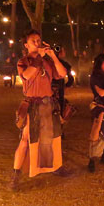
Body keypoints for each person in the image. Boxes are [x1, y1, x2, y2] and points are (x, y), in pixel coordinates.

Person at [9, 29, 68, 190]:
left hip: (48, 104)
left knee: (53, 137)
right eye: (33, 40)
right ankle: (16, 174)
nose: (37, 42)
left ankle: (56, 167)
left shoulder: (48, 61)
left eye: (39, 40)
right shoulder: (23, 61)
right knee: (25, 140)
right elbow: (27, 75)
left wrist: (53, 56)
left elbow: (62, 73)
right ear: (26, 45)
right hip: (32, 105)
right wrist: (40, 58)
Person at [52, 46, 74, 139]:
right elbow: (71, 79)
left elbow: (70, 79)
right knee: (59, 109)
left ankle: (57, 131)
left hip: (53, 89)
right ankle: (59, 131)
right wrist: (66, 86)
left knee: (57, 109)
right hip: (58, 89)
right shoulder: (64, 65)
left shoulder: (50, 63)